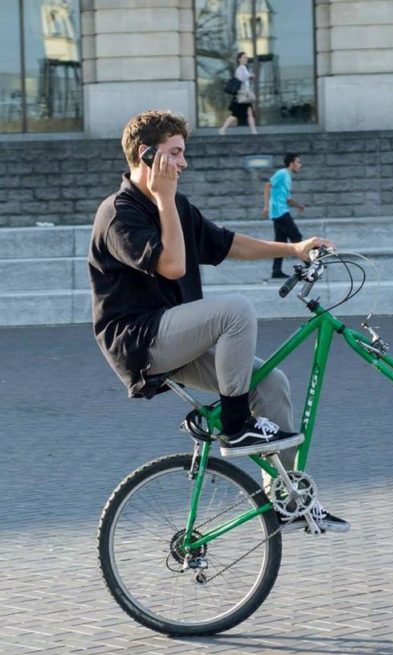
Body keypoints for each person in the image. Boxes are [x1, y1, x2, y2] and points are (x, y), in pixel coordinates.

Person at [88, 109, 348, 533]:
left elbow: (227, 244)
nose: (184, 163)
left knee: (272, 384)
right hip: (140, 341)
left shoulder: (177, 207)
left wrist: (295, 248)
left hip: (174, 332)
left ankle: (284, 498)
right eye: (175, 154)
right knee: (236, 310)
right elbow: (171, 265)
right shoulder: (119, 214)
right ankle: (236, 426)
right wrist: (165, 197)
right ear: (147, 155)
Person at [262, 153, 305, 279]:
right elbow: (267, 185)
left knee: (280, 242)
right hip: (279, 212)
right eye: (298, 162)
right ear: (291, 163)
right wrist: (266, 206)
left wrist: (299, 205)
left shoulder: (287, 177)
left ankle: (276, 271)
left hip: (281, 211)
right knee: (296, 236)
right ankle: (309, 264)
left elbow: (286, 198)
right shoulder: (282, 173)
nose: (300, 165)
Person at [219, 52, 258, 135]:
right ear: (239, 59)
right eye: (244, 57)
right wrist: (250, 75)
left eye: (246, 57)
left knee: (250, 114)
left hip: (245, 96)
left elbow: (245, 81)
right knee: (235, 114)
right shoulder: (240, 68)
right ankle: (223, 128)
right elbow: (240, 79)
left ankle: (254, 131)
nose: (246, 59)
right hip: (241, 96)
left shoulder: (244, 68)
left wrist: (250, 77)